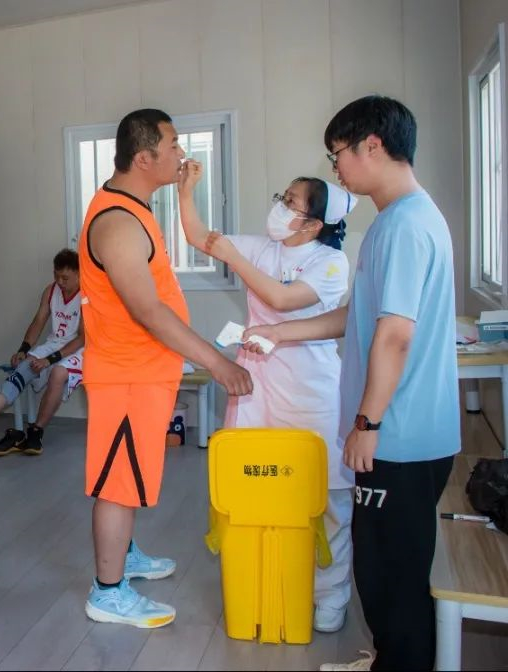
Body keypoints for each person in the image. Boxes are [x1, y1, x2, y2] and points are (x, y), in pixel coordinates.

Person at [246, 96, 460, 672]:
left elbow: (394, 336)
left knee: (393, 576)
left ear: (372, 145)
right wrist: (280, 334)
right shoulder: (391, 221)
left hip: (400, 434)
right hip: (396, 430)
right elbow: (357, 316)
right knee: (379, 566)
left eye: (337, 153)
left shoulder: (407, 225)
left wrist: (368, 423)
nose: (335, 167)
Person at [77, 108, 253, 629]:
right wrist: (215, 362)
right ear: (143, 157)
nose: (181, 154)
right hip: (126, 376)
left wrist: (184, 194)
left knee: (129, 473)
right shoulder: (116, 223)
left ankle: (125, 556)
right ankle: (108, 592)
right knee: (117, 482)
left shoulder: (134, 206)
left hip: (144, 373)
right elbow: (148, 311)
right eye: (173, 145)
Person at [178, 164, 357, 633]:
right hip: (257, 384)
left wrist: (233, 258)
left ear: (313, 224)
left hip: (310, 390)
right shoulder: (265, 247)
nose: (280, 205)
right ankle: (266, 572)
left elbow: (281, 299)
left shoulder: (330, 263)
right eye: (284, 195)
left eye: (291, 202)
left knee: (327, 497)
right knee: (255, 484)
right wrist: (187, 191)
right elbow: (198, 236)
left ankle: (330, 594)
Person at [0, 248, 84, 456]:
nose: (60, 281)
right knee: (23, 366)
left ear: (79, 274)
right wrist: (24, 349)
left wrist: (49, 360)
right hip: (55, 343)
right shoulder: (50, 291)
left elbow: (82, 338)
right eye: (56, 276)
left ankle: (36, 431)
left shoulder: (87, 295)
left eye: (65, 278)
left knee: (58, 373)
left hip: (79, 349)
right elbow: (38, 321)